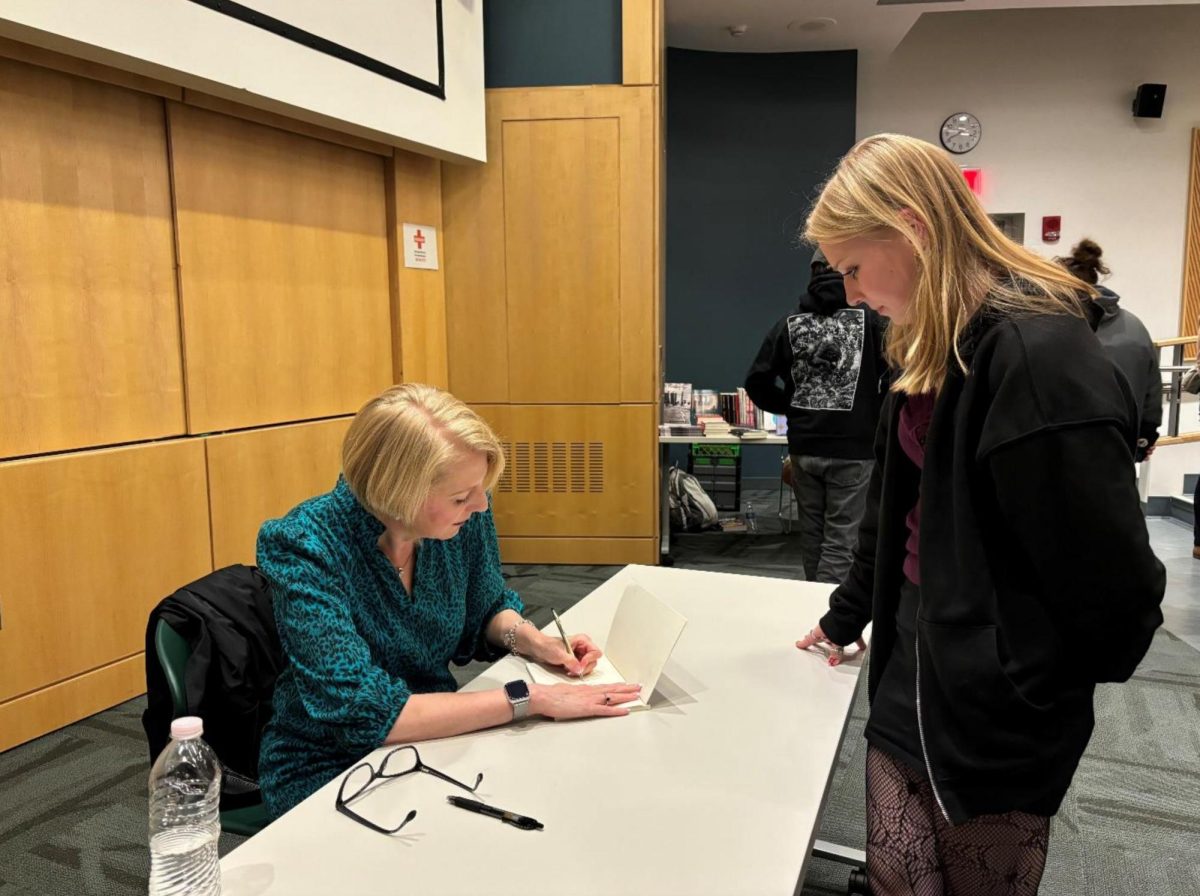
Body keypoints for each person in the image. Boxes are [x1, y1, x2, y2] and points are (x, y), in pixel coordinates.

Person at [794, 134, 1165, 896]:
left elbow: (1115, 579)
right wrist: (848, 615)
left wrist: (1034, 679)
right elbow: (894, 509)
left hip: (1001, 699)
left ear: (912, 227)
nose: (853, 293)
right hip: (913, 660)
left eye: (855, 268)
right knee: (898, 877)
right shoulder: (925, 343)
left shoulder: (1039, 354)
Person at [256, 383, 640, 818]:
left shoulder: (459, 523)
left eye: (479, 489)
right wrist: (528, 697)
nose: (478, 504)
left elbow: (486, 607)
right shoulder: (305, 545)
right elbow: (364, 712)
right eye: (460, 496)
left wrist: (534, 641)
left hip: (438, 738)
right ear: (399, 493)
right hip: (330, 766)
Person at [744, 249, 888, 583]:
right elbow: (897, 374)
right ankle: (828, 621)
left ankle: (814, 608)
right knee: (842, 540)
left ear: (813, 273)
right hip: (855, 450)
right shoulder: (872, 322)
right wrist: (873, 412)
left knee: (812, 534)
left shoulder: (789, 323)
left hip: (805, 447)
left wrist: (791, 406)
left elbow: (756, 381)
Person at [1057, 238, 1162, 460]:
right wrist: (1145, 437)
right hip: (1121, 454)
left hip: (1067, 456)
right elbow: (1152, 390)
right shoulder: (1135, 326)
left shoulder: (1059, 329)